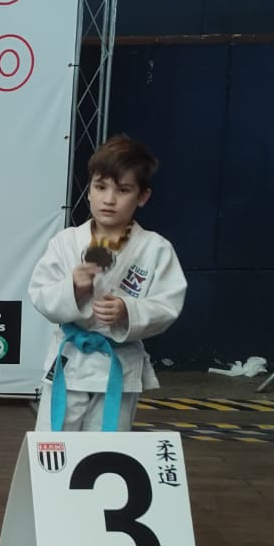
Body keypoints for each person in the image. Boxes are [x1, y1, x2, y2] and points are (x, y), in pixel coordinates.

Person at [29, 134, 187, 432]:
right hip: (70, 361)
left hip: (118, 365)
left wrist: (129, 310)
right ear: (89, 191)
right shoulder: (66, 242)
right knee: (54, 447)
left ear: (142, 196)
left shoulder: (155, 248)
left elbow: (168, 304)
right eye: (100, 187)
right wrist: (73, 289)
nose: (109, 199)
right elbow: (40, 294)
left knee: (107, 447)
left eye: (123, 190)